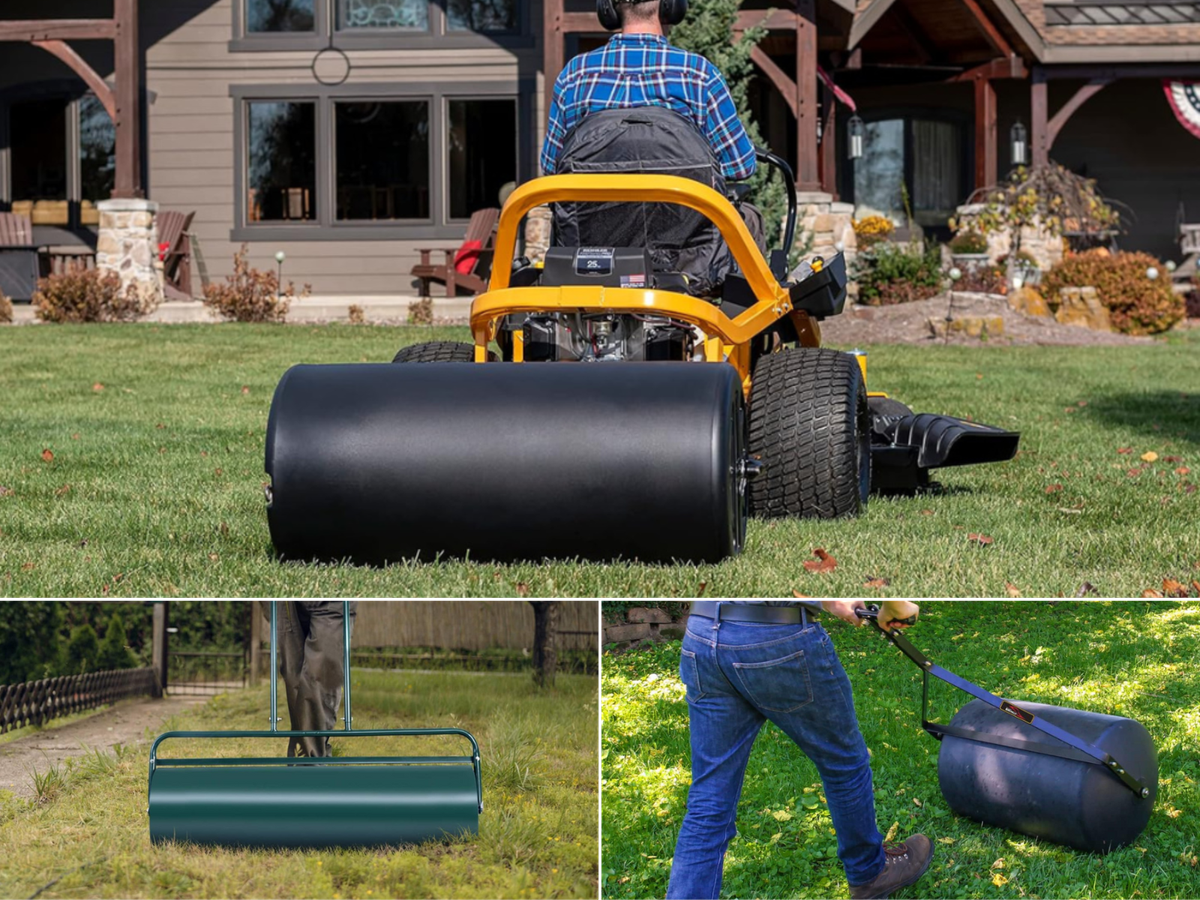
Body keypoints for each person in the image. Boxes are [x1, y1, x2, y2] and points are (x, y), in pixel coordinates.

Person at [666, 599, 934, 900]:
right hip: (777, 637)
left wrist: (831, 602)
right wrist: (896, 606)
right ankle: (870, 874)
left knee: (709, 800)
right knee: (844, 763)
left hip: (702, 634)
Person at [539, 0, 766, 253]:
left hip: (593, 259)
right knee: (749, 218)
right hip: (688, 260)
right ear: (671, 7)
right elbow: (741, 165)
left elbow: (552, 168)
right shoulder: (698, 74)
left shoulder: (574, 76)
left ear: (608, 10)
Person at [276, 600, 358, 758]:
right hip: (286, 601)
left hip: (333, 599)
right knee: (294, 676)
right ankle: (302, 755)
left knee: (320, 674)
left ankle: (311, 761)